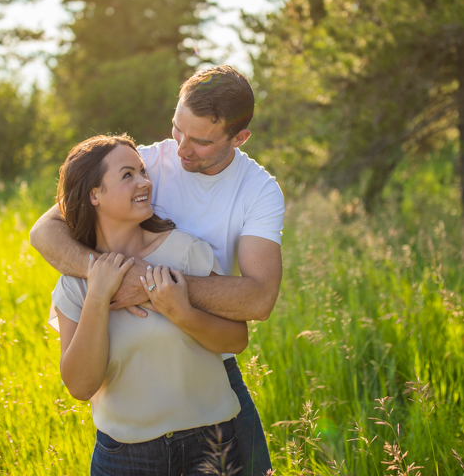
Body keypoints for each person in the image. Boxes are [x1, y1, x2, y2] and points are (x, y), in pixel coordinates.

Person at [31, 65, 284, 476]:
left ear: (239, 139)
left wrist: (155, 287)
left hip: (209, 375)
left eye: (201, 142)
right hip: (128, 437)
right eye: (176, 129)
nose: (181, 148)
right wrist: (108, 278)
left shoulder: (257, 191)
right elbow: (44, 230)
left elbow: (258, 299)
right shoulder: (140, 162)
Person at [49, 134, 247, 475]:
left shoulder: (185, 252)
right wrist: (98, 297)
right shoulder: (75, 284)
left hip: (211, 447)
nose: (144, 182)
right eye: (128, 175)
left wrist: (180, 312)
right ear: (94, 194)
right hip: (125, 458)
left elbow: (237, 340)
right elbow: (80, 387)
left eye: (143, 171)